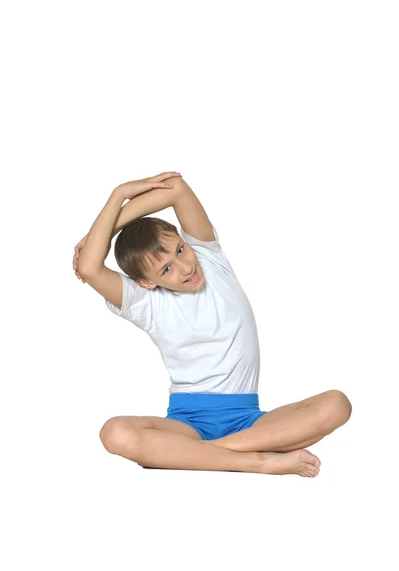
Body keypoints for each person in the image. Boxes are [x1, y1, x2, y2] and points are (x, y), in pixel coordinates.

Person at [73, 171, 352, 477]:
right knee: (114, 432)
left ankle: (200, 456)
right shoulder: (144, 304)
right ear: (146, 282)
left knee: (337, 405)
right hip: (186, 425)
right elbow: (89, 266)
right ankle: (255, 460)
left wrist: (110, 227)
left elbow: (176, 188)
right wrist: (116, 195)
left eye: (180, 250)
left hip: (250, 422)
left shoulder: (209, 258)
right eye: (166, 270)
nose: (185, 267)